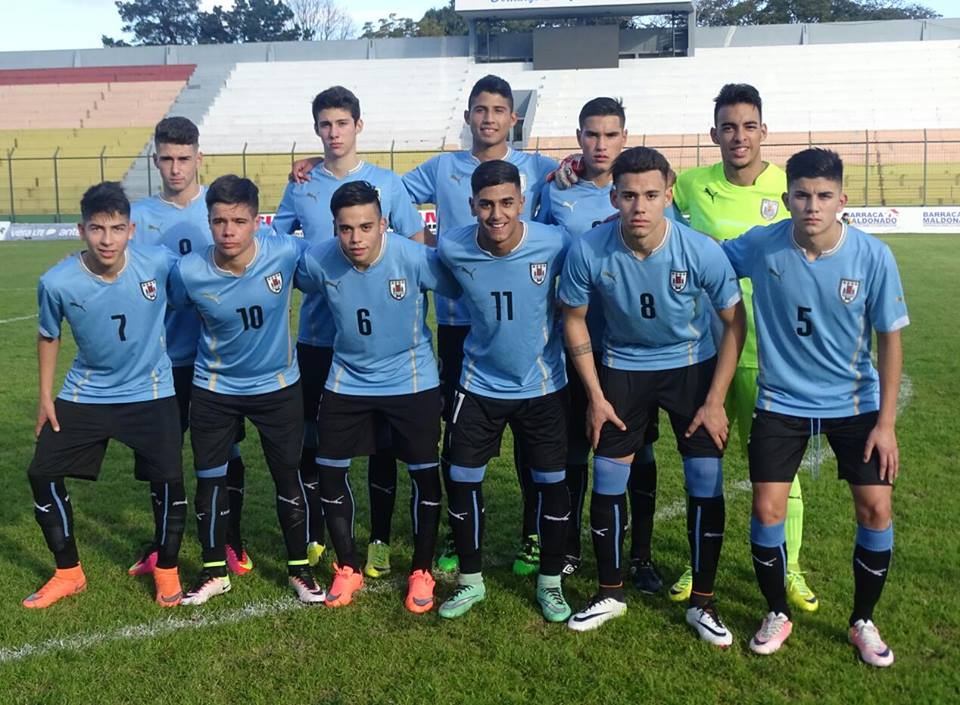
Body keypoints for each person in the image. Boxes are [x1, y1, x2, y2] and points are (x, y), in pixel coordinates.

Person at [722, 148, 907, 667]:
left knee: (876, 508)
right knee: (766, 509)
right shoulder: (763, 245)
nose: (812, 206)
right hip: (781, 400)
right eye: (802, 195)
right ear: (786, 199)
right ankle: (776, 610)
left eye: (824, 196)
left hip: (855, 403)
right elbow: (709, 255)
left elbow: (890, 341)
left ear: (842, 201)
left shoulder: (873, 256)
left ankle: (863, 621)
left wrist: (887, 423)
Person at [560, 147, 745, 645]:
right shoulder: (589, 249)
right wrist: (596, 396)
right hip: (621, 368)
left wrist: (715, 399)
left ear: (667, 194)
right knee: (607, 475)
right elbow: (573, 318)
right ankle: (609, 591)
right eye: (628, 195)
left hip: (690, 368)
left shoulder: (699, 250)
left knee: (705, 477)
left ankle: (703, 603)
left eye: (650, 195)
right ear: (614, 196)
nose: (639, 206)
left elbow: (734, 322)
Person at [669, 84, 817, 611]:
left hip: (772, 352)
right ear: (714, 134)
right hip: (706, 352)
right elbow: (634, 194)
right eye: (728, 127)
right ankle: (698, 563)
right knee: (703, 464)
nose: (738, 136)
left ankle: (791, 568)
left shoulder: (789, 186)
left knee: (780, 468)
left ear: (764, 131)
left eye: (748, 126)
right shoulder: (687, 186)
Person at [274, 86, 425, 579]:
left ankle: (379, 539)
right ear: (315, 128)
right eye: (325, 125)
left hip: (379, 339)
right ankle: (318, 533)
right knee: (317, 441)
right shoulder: (302, 185)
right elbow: (279, 242)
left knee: (382, 446)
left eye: (342, 123)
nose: (333, 133)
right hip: (320, 336)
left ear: (358, 126)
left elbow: (416, 247)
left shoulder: (387, 183)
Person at [295, 181, 460, 611]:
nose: (356, 239)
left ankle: (421, 571)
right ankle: (348, 567)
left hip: (412, 380)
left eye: (366, 227)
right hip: (346, 380)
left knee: (424, 475)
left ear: (383, 224)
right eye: (346, 229)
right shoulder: (317, 261)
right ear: (334, 228)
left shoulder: (413, 257)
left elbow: (463, 286)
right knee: (329, 471)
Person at [23, 181, 185, 609]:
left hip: (151, 391)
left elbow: (201, 282)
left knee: (169, 478)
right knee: (42, 472)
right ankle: (68, 572)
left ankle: (167, 569)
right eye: (97, 229)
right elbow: (48, 335)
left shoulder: (159, 263)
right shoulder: (56, 281)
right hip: (87, 391)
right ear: (82, 230)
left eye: (116, 228)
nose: (107, 239)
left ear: (131, 230)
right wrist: (45, 397)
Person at [170, 175, 324, 606]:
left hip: (277, 386)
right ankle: (214, 570)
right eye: (219, 221)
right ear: (209, 221)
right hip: (214, 387)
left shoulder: (286, 253)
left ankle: (300, 570)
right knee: (209, 480)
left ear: (258, 221)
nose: (228, 231)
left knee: (287, 476)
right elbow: (159, 296)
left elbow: (332, 261)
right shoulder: (189, 271)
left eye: (239, 220)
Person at [537, 97, 667, 591]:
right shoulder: (555, 189)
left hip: (629, 347)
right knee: (574, 447)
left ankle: (640, 557)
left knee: (640, 453)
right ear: (578, 137)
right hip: (570, 341)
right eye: (592, 135)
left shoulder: (635, 194)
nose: (601, 144)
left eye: (611, 135)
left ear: (624, 137)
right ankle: (568, 549)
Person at [436, 160, 572, 622]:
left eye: (507, 203)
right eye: (487, 204)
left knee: (553, 484)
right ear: (472, 204)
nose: (497, 214)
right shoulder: (453, 248)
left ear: (523, 202)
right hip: (478, 383)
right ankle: (470, 581)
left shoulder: (553, 242)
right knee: (461, 478)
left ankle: (550, 583)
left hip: (543, 385)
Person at [129, 116, 253, 579]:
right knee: (162, 455)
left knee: (226, 455)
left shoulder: (219, 209)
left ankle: (231, 540)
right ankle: (163, 547)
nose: (175, 168)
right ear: (155, 160)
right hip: (158, 361)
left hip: (212, 362)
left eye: (184, 158)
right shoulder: (138, 218)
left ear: (199, 158)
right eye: (166, 158)